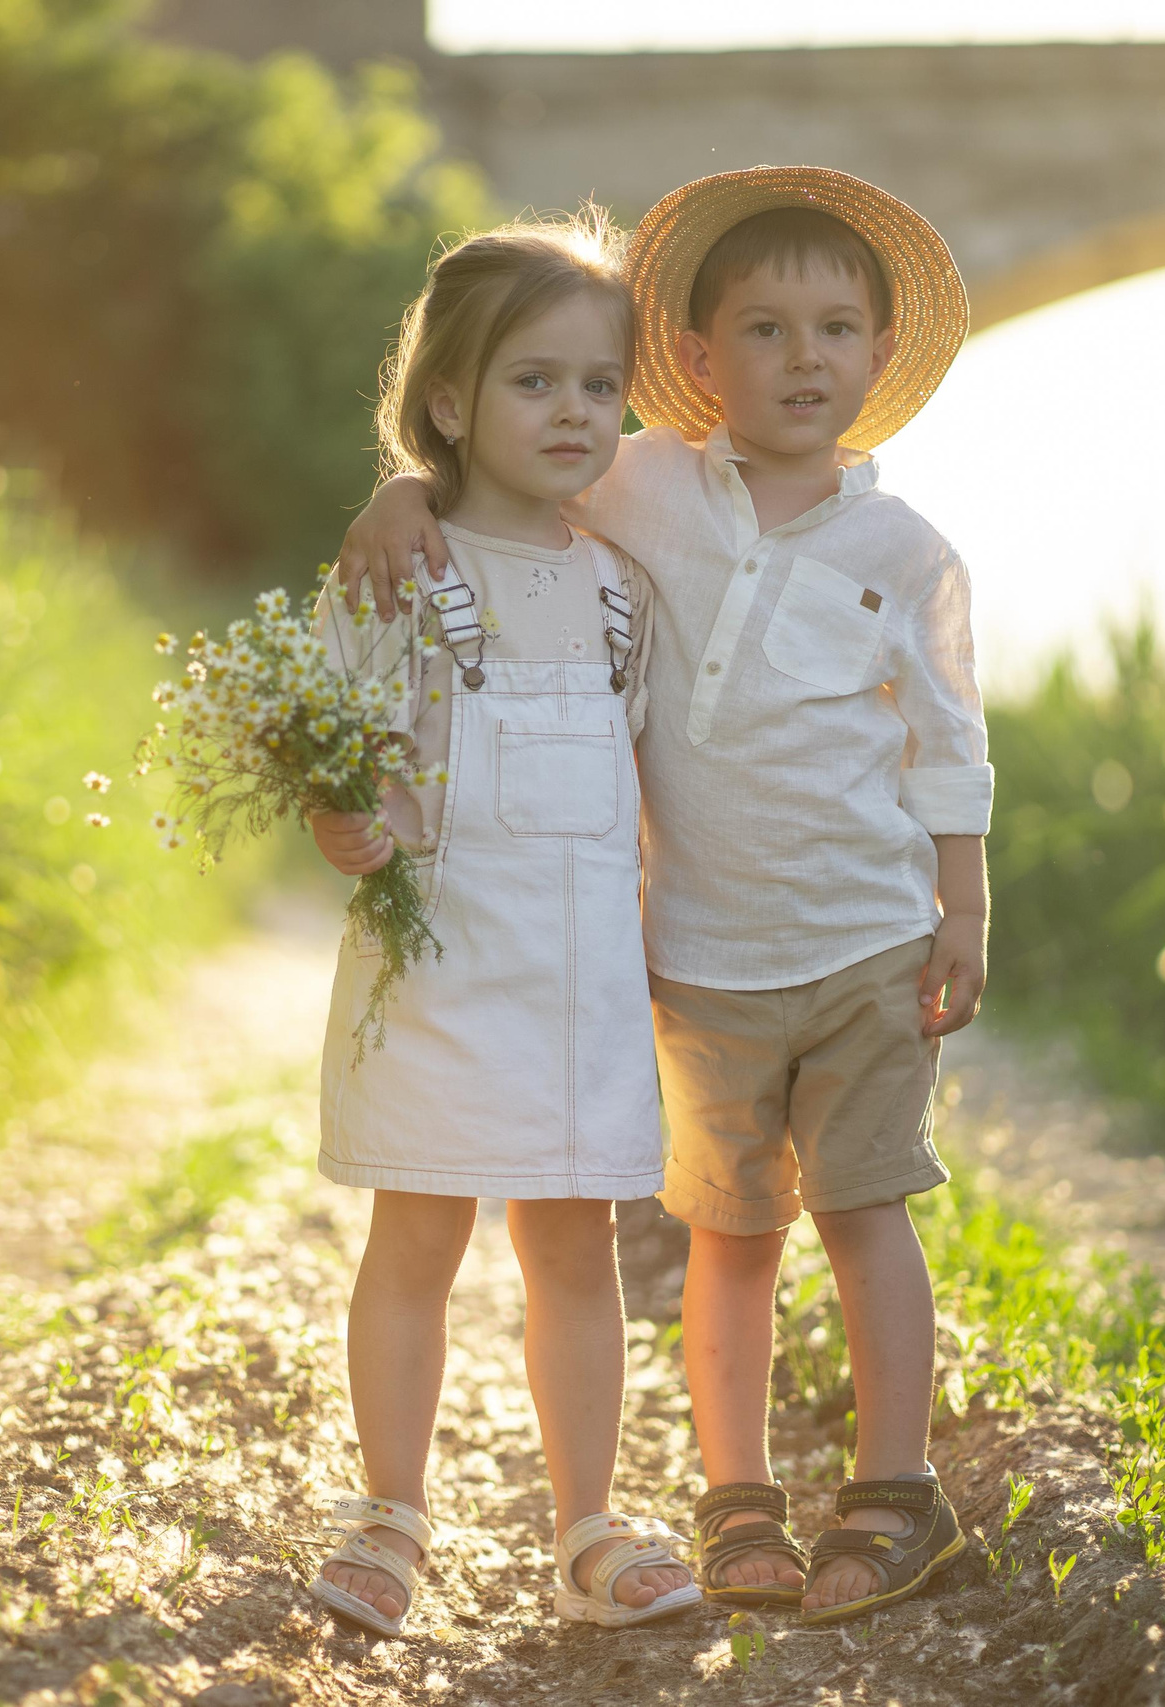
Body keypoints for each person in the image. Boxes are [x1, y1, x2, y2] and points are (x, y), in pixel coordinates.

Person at [329, 167, 991, 1626]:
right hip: (573, 962)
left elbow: (946, 740)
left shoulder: (826, 552)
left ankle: (763, 1504)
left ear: (882, 354)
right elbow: (448, 529)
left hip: (736, 955)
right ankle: (481, 1512)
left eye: (837, 329)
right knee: (571, 1232)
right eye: (764, 328)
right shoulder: (595, 503)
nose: (803, 357)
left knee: (743, 1225)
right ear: (695, 363)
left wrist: (966, 901)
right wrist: (391, 490)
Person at [303, 209, 701, 1640]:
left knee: (575, 1247)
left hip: (580, 982)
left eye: (601, 385)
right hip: (441, 970)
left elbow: (647, 776)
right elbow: (330, 740)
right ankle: (392, 1512)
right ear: (453, 403)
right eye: (536, 382)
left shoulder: (620, 588)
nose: (576, 412)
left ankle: (587, 1527)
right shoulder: (398, 567)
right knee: (416, 1235)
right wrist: (341, 817)